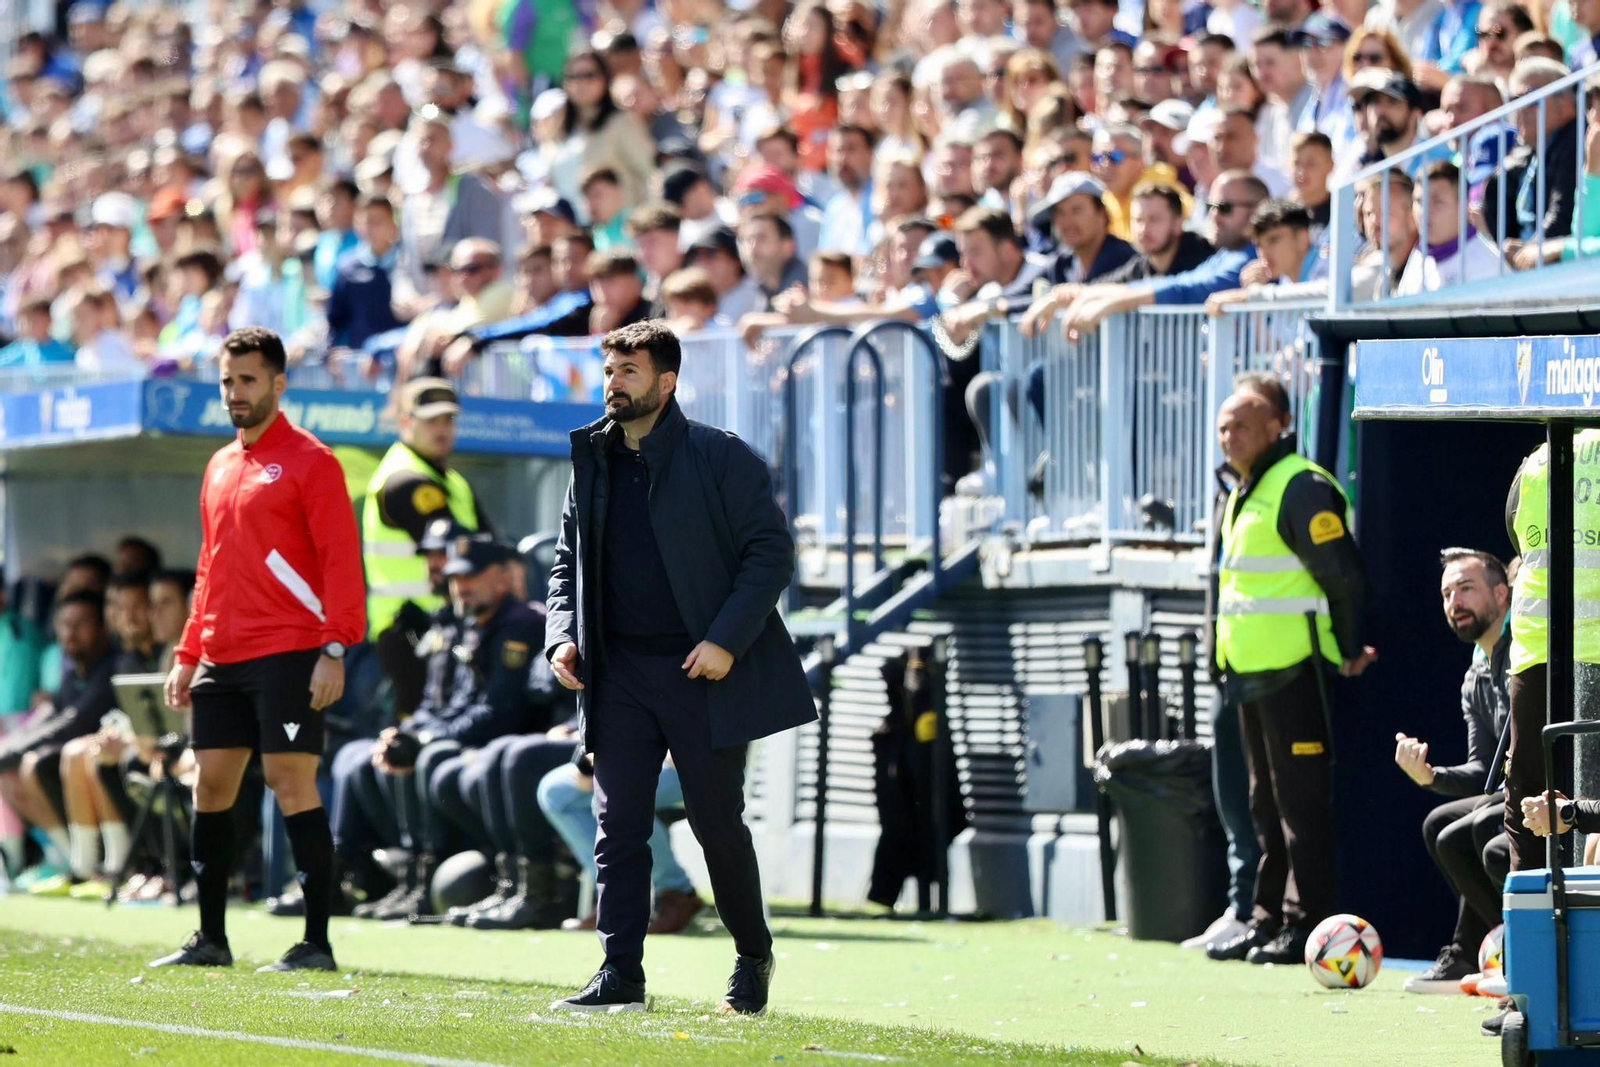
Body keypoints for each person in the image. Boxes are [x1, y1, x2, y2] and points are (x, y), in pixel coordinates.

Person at [545, 320, 814, 1013]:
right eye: (610, 371)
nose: (614, 384)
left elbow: (769, 555)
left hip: (704, 673)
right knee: (618, 825)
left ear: (666, 382)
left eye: (629, 372)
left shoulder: (722, 456)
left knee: (716, 823)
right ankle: (620, 973)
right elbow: (566, 560)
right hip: (621, 675)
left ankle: (753, 955)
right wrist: (563, 635)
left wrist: (726, 639)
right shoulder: (592, 460)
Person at [150, 327, 365, 973]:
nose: (235, 393)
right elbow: (209, 564)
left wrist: (335, 645)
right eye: (226, 381)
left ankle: (315, 942)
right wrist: (189, 650)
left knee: (287, 779)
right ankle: (210, 937)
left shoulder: (312, 460)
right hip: (221, 652)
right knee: (209, 784)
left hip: (292, 648)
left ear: (278, 383)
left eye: (247, 380)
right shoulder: (219, 465)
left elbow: (339, 559)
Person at [1205, 373, 1374, 966]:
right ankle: (1266, 917)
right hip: (1248, 671)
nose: (1231, 435)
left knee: (1300, 806)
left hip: (1296, 669)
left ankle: (1310, 928)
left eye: (1244, 424)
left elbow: (1343, 575)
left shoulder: (1299, 486)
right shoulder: (1244, 489)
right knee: (1262, 805)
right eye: (1224, 425)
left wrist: (1350, 648)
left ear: (1280, 425)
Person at [1397, 548, 1513, 994]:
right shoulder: (1476, 672)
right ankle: (1474, 952)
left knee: (1482, 823)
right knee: (1439, 823)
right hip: (1514, 787)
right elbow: (1486, 769)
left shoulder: (1526, 649)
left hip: (1552, 788)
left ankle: (1519, 955)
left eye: (1466, 588)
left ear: (1502, 595)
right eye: (1447, 593)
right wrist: (1432, 776)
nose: (1455, 602)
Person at [363, 377, 489, 717]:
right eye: (431, 420)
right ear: (406, 421)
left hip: (443, 623)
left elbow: (488, 543)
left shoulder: (451, 481)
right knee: (418, 728)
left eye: (448, 420)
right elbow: (460, 546)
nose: (442, 429)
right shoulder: (405, 479)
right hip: (409, 627)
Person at [0, 591, 118, 889]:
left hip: (109, 770)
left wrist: (11, 752)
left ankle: (96, 866)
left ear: (102, 626)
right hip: (74, 769)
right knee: (14, 770)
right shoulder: (74, 671)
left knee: (34, 764)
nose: (71, 634)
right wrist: (9, 749)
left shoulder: (111, 667)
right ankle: (70, 860)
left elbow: (75, 721)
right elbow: (50, 715)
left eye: (81, 624)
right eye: (65, 625)